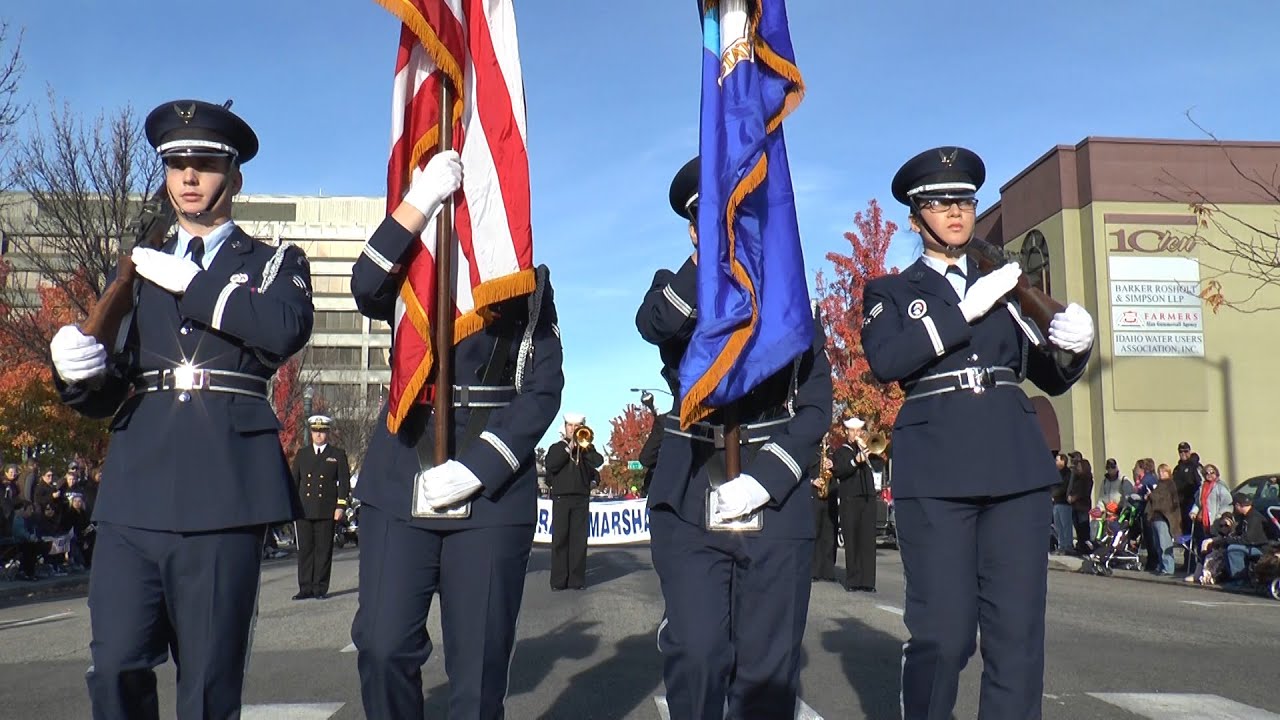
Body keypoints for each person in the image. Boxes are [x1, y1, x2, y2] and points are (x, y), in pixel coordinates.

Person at [49, 98, 313, 719]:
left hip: (226, 492)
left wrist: (191, 284)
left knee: (207, 686)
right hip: (136, 490)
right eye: (176, 164)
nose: (189, 178)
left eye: (204, 164)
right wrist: (76, 373)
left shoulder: (273, 263)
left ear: (235, 176)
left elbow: (283, 330)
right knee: (114, 667)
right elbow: (111, 387)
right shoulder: (134, 269)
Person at [861, 146, 1094, 720]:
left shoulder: (1006, 288)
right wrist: (962, 313)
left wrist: (1075, 346)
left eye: (963, 200)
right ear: (916, 219)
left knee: (1016, 637)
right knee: (944, 633)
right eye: (940, 203)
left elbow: (1047, 373)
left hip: (1014, 466)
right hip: (937, 469)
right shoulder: (890, 292)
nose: (956, 212)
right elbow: (888, 361)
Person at [347, 149, 564, 719]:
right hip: (401, 469)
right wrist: (418, 205)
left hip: (492, 489)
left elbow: (543, 387)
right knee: (382, 646)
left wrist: (480, 466)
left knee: (479, 673)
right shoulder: (412, 256)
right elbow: (366, 286)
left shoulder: (527, 282)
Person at [636, 156, 833, 719]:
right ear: (695, 229)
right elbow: (654, 323)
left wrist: (768, 478)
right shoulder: (677, 289)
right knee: (696, 655)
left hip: (775, 495)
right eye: (709, 220)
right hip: (693, 484)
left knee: (769, 673)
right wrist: (713, 270)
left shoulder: (789, 299)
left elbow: (816, 402)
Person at [290, 414, 351, 600]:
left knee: (323, 550)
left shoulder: (337, 455)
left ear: (328, 432)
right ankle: (305, 587)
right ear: (311, 432)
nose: (318, 435)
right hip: (305, 509)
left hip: (326, 510)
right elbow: (294, 482)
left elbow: (344, 483)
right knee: (305, 550)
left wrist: (340, 506)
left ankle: (320, 588)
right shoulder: (302, 454)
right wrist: (292, 506)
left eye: (322, 431)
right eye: (315, 431)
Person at [544, 412, 604, 590]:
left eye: (577, 426)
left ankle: (576, 581)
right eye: (570, 425)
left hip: (581, 498)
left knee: (578, 541)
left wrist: (587, 448)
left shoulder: (586, 449)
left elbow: (598, 462)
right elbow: (552, 464)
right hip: (561, 498)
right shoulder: (557, 447)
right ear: (565, 428)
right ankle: (558, 581)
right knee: (560, 540)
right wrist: (569, 447)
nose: (573, 429)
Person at [832, 416, 878, 592]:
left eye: (859, 431)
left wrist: (868, 454)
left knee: (867, 540)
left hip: (867, 497)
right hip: (850, 498)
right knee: (852, 539)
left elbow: (876, 466)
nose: (856, 434)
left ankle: (868, 581)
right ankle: (853, 581)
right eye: (853, 431)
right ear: (846, 432)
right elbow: (840, 471)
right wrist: (855, 461)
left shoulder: (867, 449)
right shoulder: (841, 452)